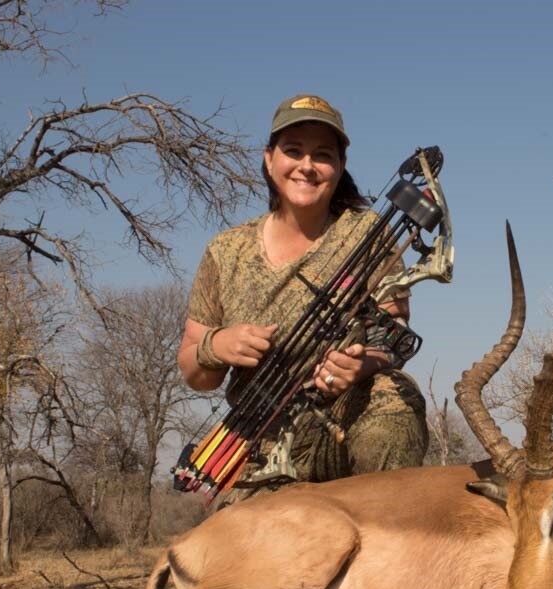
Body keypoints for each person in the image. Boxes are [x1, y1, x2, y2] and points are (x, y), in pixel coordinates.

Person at [177, 94, 428, 501]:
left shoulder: (370, 235)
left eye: (322, 155)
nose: (307, 166)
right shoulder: (225, 251)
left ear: (340, 166)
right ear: (269, 159)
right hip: (257, 444)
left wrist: (362, 365)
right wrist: (217, 346)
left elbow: (394, 334)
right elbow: (194, 371)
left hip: (340, 422)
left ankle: (390, 531)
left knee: (392, 397)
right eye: (293, 151)